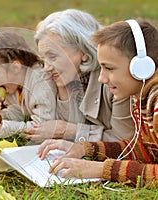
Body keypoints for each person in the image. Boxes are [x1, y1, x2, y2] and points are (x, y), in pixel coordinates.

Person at [38, 19, 158, 187]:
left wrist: (101, 169)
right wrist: (85, 149)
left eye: (109, 68)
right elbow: (145, 151)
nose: (102, 78)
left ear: (141, 67)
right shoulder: (141, 96)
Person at [24, 9, 135, 143]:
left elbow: (124, 143)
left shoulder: (114, 78)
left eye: (52, 56)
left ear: (83, 50)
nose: (47, 67)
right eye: (44, 58)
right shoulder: (64, 75)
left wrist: (67, 130)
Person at [0, 32, 57, 137]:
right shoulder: (14, 84)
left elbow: (42, 129)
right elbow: (18, 114)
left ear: (15, 67)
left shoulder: (41, 84)